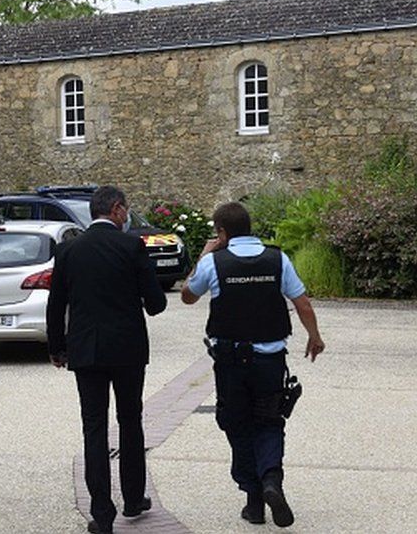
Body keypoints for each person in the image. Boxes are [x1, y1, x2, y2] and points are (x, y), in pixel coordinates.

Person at [180, 201, 325, 528]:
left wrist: (204, 255)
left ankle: (253, 499)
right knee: (270, 420)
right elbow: (301, 302)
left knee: (236, 423)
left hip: (231, 361)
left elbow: (188, 296)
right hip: (270, 360)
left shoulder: (214, 263)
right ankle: (271, 479)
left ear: (221, 232)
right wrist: (314, 336)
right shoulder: (278, 259)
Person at [46, 185, 167, 534]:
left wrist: (57, 347)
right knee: (131, 420)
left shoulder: (68, 250)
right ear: (116, 209)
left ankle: (101, 511)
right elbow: (156, 304)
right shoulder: (131, 246)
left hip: (86, 349)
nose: (127, 215)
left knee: (94, 426)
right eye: (126, 209)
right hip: (128, 349)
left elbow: (57, 304)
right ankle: (132, 496)